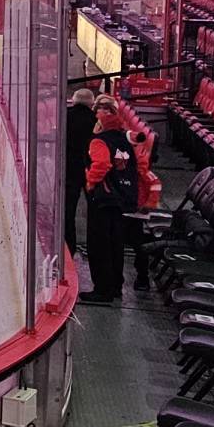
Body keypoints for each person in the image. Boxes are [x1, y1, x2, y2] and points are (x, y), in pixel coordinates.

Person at [82, 96, 139, 303]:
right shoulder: (124, 139)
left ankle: (102, 289)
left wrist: (90, 182)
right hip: (122, 198)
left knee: (99, 244)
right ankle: (115, 285)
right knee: (116, 243)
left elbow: (102, 164)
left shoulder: (99, 140)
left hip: (103, 198)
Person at [64, 87, 96, 255]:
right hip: (91, 171)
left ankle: (70, 248)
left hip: (69, 170)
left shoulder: (65, 116)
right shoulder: (96, 120)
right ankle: (94, 248)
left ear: (74, 101)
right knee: (94, 213)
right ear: (92, 104)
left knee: (69, 212)